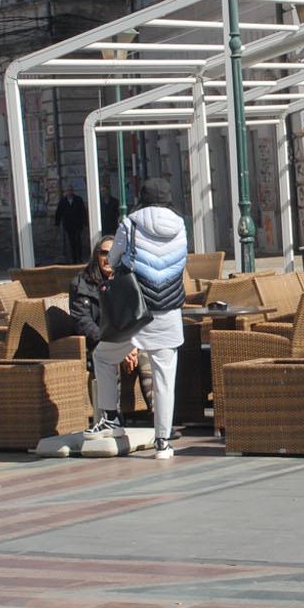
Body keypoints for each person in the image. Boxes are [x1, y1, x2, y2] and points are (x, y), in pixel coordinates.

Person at [88, 179, 187, 459]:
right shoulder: (180, 226)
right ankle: (163, 444)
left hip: (136, 311)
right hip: (168, 310)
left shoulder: (130, 224)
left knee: (104, 357)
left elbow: (116, 259)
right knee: (165, 377)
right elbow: (181, 261)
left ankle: (112, 420)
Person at [69, 234, 180, 442]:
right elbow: (83, 322)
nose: (107, 258)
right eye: (103, 253)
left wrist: (132, 345)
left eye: (111, 254)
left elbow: (136, 317)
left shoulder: (127, 281)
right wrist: (114, 340)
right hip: (99, 341)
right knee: (107, 357)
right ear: (96, 256)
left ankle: (159, 419)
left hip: (129, 338)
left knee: (147, 355)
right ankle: (113, 418)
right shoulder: (81, 283)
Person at [54, 183, 89, 263]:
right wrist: (57, 223)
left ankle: (79, 257)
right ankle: (74, 259)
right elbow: (59, 212)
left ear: (73, 191)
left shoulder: (78, 199)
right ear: (66, 192)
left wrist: (85, 223)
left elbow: (83, 211)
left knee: (78, 240)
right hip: (69, 225)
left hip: (78, 224)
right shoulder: (63, 201)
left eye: (70, 190)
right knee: (72, 242)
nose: (69, 192)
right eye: (68, 191)